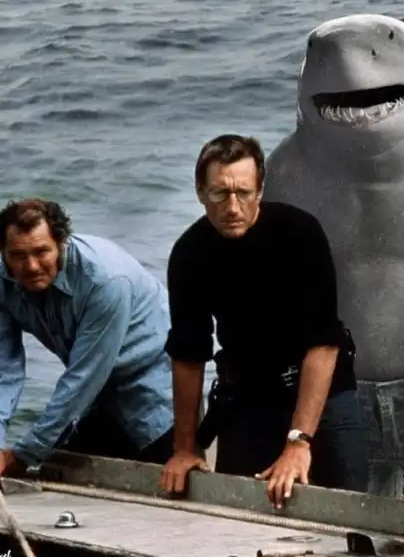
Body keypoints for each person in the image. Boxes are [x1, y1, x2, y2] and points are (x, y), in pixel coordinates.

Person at [159, 134, 368, 507]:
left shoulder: (300, 234)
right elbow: (189, 355)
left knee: (345, 513)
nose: (232, 206)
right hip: (249, 397)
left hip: (322, 391)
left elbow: (323, 344)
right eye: (220, 193)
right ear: (200, 192)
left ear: (260, 190)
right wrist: (184, 448)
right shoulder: (190, 253)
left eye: (244, 192)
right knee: (235, 513)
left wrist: (299, 442)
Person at [0, 198, 177, 475]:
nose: (31, 266)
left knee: (168, 487)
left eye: (41, 251)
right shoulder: (3, 280)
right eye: (18, 256)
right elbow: (4, 370)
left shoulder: (105, 281)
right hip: (97, 397)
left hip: (156, 392)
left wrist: (23, 454)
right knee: (57, 474)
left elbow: (82, 378)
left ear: (61, 243)